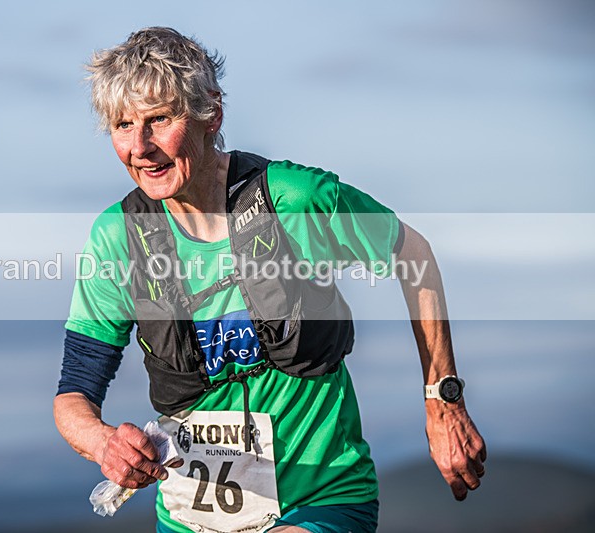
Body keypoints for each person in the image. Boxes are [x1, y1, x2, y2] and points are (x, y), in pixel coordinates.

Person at [54, 27, 486, 533]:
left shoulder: (293, 201)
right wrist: (105, 443)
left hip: (321, 500)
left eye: (159, 120)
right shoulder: (118, 237)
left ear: (210, 112)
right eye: (123, 125)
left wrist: (443, 401)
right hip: (189, 517)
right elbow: (74, 395)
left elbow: (413, 255)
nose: (140, 147)